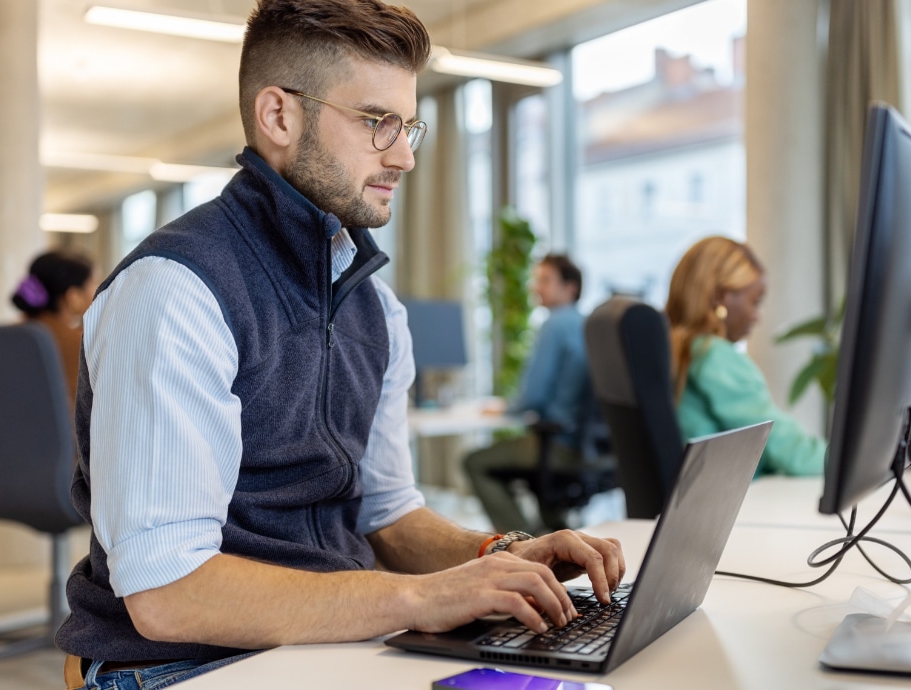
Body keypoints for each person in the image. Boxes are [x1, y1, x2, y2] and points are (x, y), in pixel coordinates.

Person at [55, 2, 624, 687]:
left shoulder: (376, 307)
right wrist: (420, 597)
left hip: (333, 639)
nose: (405, 155)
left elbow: (387, 513)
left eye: (407, 125)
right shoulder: (176, 291)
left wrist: (503, 552)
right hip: (182, 664)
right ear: (279, 116)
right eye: (375, 122)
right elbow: (168, 594)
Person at [665, 236, 825, 478]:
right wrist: (860, 463)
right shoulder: (713, 357)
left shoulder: (675, 349)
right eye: (755, 301)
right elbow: (789, 450)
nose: (756, 317)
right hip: (735, 503)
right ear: (720, 297)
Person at [464, 254, 592, 534]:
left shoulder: (555, 325)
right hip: (588, 446)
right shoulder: (588, 325)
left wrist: (505, 408)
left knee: (474, 461)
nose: (536, 287)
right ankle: (553, 533)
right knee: (530, 473)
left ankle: (524, 544)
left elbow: (532, 397)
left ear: (570, 287)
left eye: (545, 280)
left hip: (558, 444)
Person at [10, 250, 97, 412]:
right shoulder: (81, 345)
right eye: (93, 283)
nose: (98, 291)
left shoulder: (7, 337)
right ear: (73, 296)